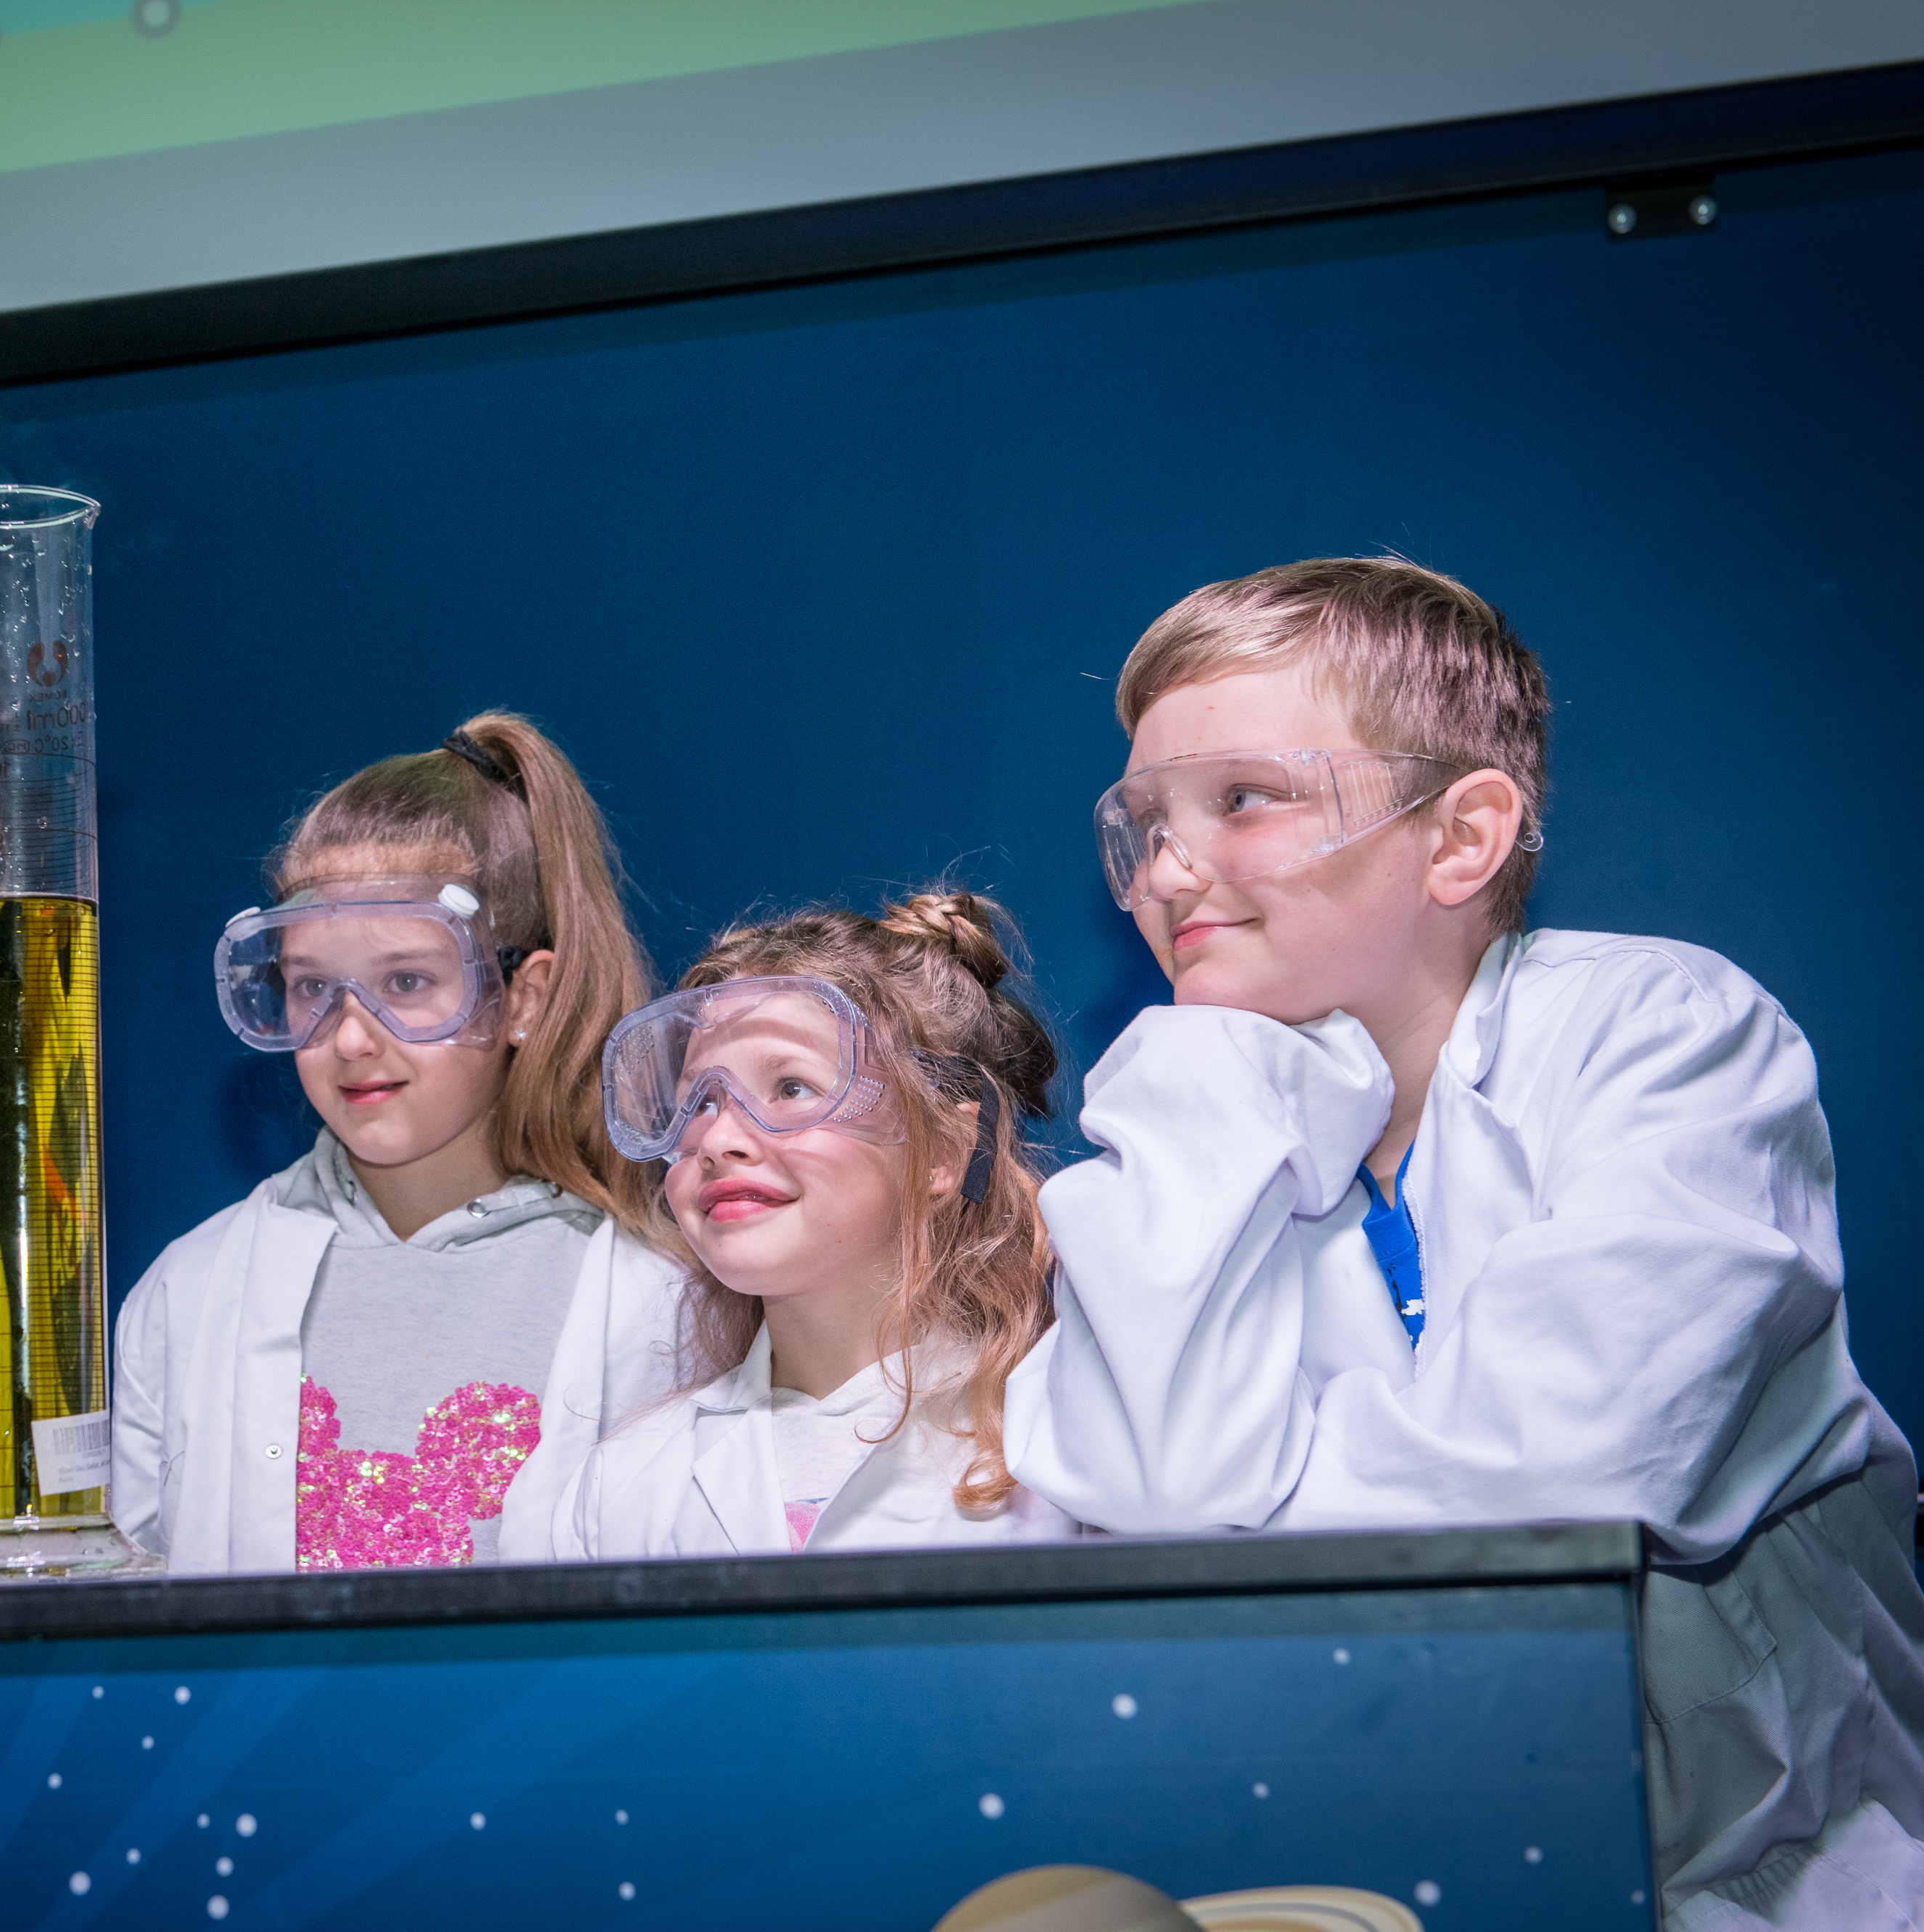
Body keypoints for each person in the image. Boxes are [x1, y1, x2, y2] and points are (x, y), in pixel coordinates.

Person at [1002, 557, 1924, 1926]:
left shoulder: (1664, 1035)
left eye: (1244, 800)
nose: (1167, 875)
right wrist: (1198, 1082)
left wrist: (1246, 1516)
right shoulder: (1208, 1115)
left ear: (1461, 837)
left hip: (1763, 1888)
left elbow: (1545, 1499)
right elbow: (1141, 1517)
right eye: (1141, 827)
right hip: (1385, 1874)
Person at [108, 717, 689, 1571]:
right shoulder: (190, 1291)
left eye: (407, 982)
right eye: (311, 988)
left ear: (525, 997)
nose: (350, 1039)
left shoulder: (661, 1298)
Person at [548, 892, 1079, 1557]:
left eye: (791, 1088)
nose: (717, 1138)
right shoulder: (620, 1487)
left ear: (943, 1151)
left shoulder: (1067, 1444)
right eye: (699, 1101)